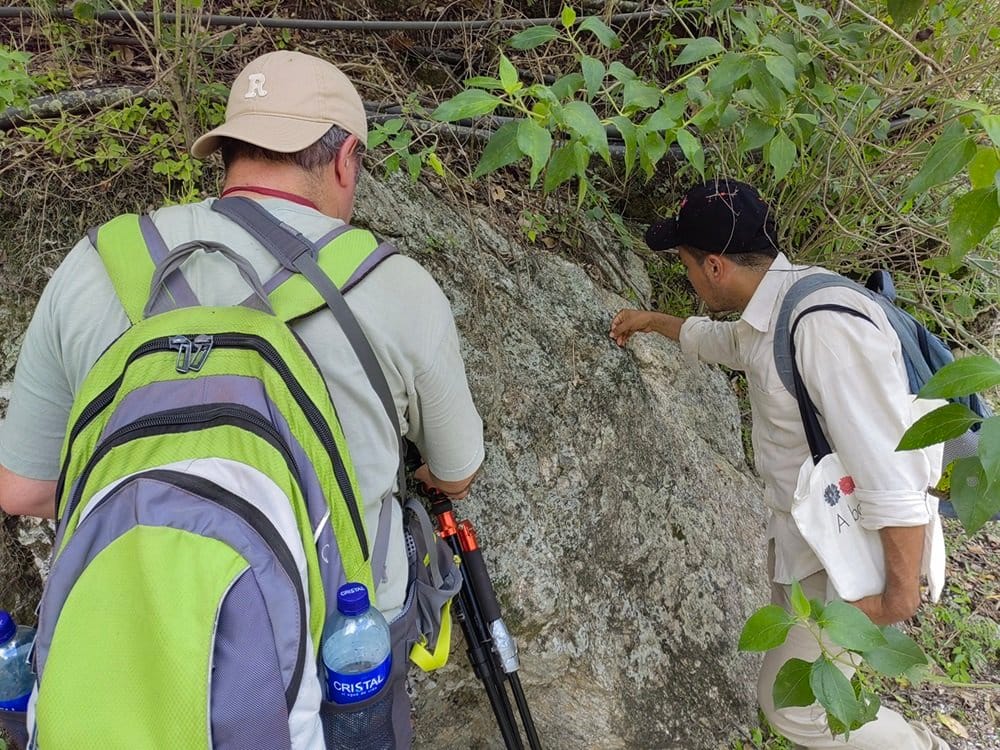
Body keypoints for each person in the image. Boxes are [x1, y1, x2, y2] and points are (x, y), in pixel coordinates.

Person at [0, 49, 483, 640]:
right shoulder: (395, 287)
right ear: (345, 161)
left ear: (227, 152)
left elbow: (21, 488)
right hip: (332, 654)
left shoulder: (97, 265)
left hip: (128, 643)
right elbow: (456, 471)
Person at [610, 179, 948, 749]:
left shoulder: (824, 329)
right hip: (814, 540)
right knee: (817, 686)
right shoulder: (781, 298)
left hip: (845, 551)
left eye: (688, 264)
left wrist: (898, 594)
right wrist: (654, 322)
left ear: (715, 266)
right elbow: (734, 347)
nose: (688, 277)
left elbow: (893, 471)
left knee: (794, 710)